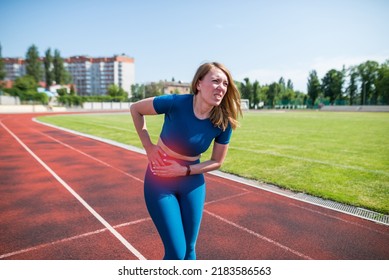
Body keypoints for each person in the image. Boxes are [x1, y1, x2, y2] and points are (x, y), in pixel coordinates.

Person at [130, 62, 242, 260]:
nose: (221, 88)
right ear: (199, 84)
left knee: (190, 250)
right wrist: (149, 147)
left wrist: (184, 171)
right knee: (176, 252)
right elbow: (136, 109)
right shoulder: (176, 102)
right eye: (215, 81)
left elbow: (217, 161)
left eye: (225, 84)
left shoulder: (224, 122)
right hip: (160, 180)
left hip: (192, 183)